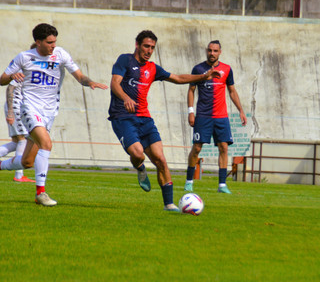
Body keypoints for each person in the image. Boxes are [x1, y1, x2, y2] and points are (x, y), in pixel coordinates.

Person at [108, 30, 221, 211]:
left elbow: (177, 78)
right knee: (138, 154)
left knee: (160, 159)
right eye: (146, 46)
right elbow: (115, 82)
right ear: (137, 45)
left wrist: (203, 76)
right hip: (122, 117)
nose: (149, 50)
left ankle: (169, 204)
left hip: (145, 118)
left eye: (152, 47)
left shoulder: (153, 68)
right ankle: (141, 169)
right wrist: (125, 98)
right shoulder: (125, 60)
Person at [0, 23, 108, 206]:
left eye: (54, 42)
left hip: (49, 111)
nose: (53, 46)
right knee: (46, 144)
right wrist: (12, 76)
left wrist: (90, 82)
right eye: (49, 42)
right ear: (38, 42)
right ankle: (40, 193)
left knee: (27, 161)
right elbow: (2, 79)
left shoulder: (61, 54)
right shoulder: (24, 57)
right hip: (30, 108)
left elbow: (80, 76)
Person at [184, 40, 247, 194]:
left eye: (215, 51)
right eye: (210, 50)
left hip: (221, 117)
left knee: (224, 147)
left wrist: (241, 110)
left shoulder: (227, 69)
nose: (212, 53)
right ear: (207, 51)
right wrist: (191, 112)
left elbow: (232, 91)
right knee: (197, 147)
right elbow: (191, 90)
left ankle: (222, 185)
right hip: (203, 116)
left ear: (220, 52)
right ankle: (189, 181)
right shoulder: (198, 69)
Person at [0, 81, 34, 182]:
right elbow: (10, 88)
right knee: (22, 139)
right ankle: (19, 175)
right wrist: (11, 111)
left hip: (17, 106)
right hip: (16, 107)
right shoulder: (22, 70)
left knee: (16, 142)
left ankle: (19, 174)